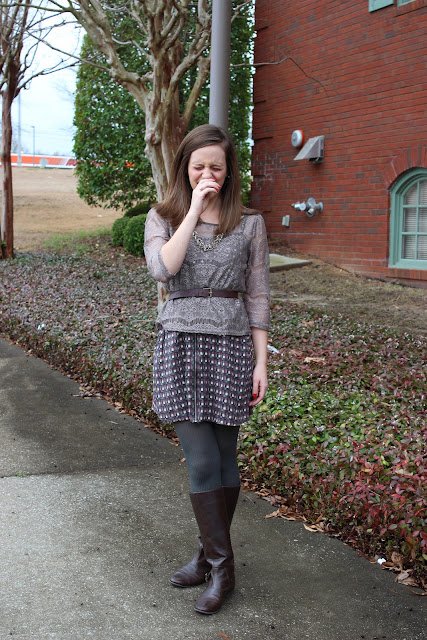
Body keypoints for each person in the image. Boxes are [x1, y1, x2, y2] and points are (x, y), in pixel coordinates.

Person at [144, 124, 270, 615]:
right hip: (180, 343)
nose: (208, 173)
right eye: (198, 166)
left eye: (216, 166)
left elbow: (258, 294)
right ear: (185, 168)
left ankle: (207, 558)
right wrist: (194, 210)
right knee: (200, 462)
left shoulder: (250, 223)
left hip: (232, 347)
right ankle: (223, 567)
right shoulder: (162, 216)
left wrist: (262, 362)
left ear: (229, 169)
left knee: (224, 460)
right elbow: (163, 269)